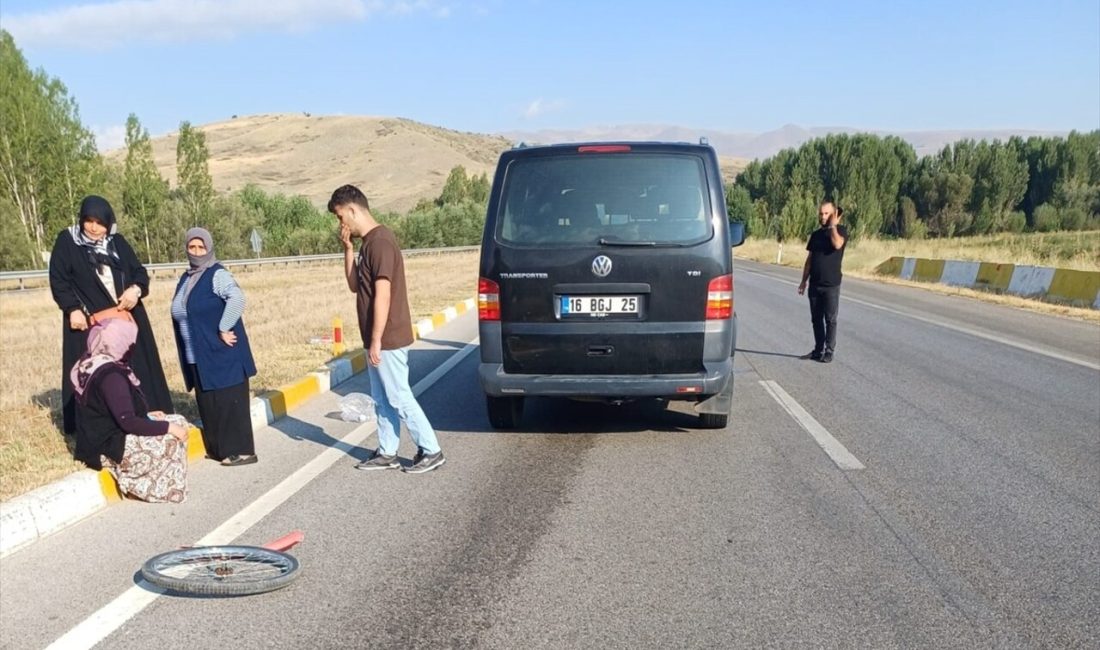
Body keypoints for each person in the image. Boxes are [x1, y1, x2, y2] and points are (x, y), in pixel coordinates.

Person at [328, 184, 445, 474]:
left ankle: (431, 449)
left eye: (342, 217)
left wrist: (377, 339)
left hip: (388, 336)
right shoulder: (368, 243)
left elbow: (383, 293)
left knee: (398, 396)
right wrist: (348, 249)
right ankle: (387, 451)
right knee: (381, 399)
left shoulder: (380, 243)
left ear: (353, 210)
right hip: (376, 337)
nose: (341, 224)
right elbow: (355, 285)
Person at [49, 195, 174, 436]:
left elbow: (139, 272)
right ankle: (101, 427)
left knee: (136, 368)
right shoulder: (68, 241)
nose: (94, 228)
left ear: (109, 223)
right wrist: (71, 308)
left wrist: (135, 290)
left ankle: (145, 416)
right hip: (91, 323)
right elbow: (59, 280)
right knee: (97, 372)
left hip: (127, 319)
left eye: (100, 222)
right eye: (89, 221)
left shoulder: (117, 242)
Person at [71, 318, 189, 503]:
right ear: (119, 343)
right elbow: (128, 422)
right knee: (173, 432)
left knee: (177, 420)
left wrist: (148, 416)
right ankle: (141, 485)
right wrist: (168, 428)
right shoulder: (111, 375)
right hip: (109, 447)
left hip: (100, 437)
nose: (132, 347)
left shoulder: (92, 363)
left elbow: (108, 410)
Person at [169, 228, 258, 466]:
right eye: (192, 247)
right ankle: (219, 449)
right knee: (209, 403)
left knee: (229, 401)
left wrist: (223, 326)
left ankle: (243, 451)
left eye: (201, 247)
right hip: (197, 354)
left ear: (209, 248)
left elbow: (237, 298)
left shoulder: (217, 274)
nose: (197, 252)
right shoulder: (187, 278)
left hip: (221, 350)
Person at [798, 200, 848, 363]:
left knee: (830, 319)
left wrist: (833, 226)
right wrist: (803, 281)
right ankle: (818, 349)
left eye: (827, 213)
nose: (823, 216)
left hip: (831, 285)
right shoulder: (816, 235)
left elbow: (837, 244)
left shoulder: (840, 231)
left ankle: (829, 351)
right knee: (816, 319)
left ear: (834, 214)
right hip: (815, 284)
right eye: (821, 213)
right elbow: (810, 259)